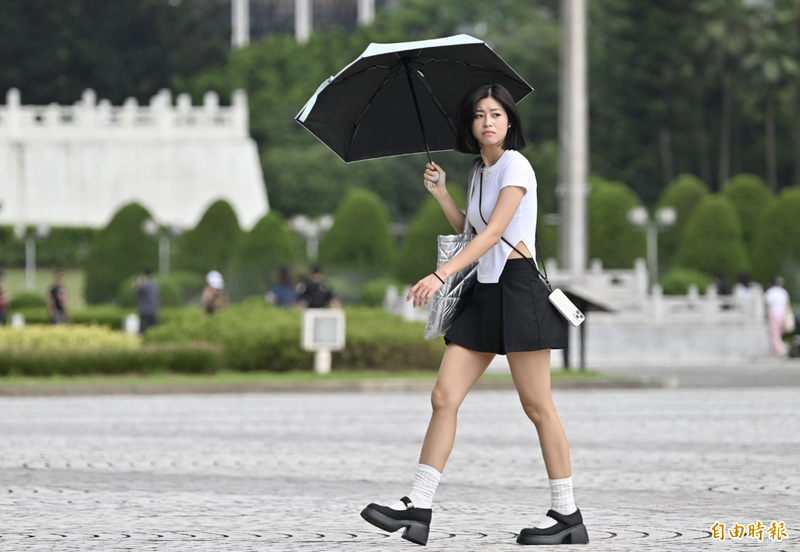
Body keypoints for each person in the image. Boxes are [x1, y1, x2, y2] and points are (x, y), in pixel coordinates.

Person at [360, 84, 585, 546]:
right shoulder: (478, 171)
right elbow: (472, 229)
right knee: (444, 397)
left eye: (496, 114)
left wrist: (440, 275)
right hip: (484, 292)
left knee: (538, 407)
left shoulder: (516, 166)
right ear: (470, 125)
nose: (488, 122)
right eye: (479, 115)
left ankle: (567, 515)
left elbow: (497, 231)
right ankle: (418, 507)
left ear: (509, 122)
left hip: (519, 290)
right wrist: (443, 195)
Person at [764, 276, 791, 358]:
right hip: (783, 315)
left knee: (774, 335)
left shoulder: (770, 292)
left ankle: (780, 351)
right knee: (779, 334)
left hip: (774, 315)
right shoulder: (784, 292)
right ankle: (781, 348)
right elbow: (787, 305)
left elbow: (768, 306)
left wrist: (767, 316)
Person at [132, 268, 160, 334]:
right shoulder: (156, 284)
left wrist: (136, 281)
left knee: (142, 331)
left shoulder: (142, 285)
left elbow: (134, 291)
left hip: (144, 310)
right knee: (154, 330)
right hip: (153, 310)